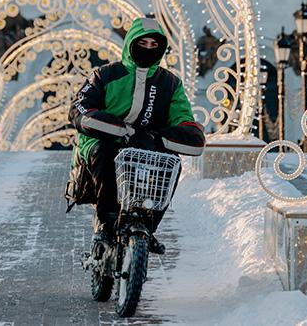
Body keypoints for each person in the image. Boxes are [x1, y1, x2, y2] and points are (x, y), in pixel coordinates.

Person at [66, 17, 205, 245]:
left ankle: (148, 225)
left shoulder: (169, 83)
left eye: (154, 45)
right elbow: (79, 108)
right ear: (131, 43)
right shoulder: (106, 74)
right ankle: (105, 222)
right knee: (105, 153)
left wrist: (163, 136)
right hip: (103, 139)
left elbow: (183, 117)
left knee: (171, 162)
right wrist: (118, 129)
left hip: (146, 144)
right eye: (143, 43)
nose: (148, 48)